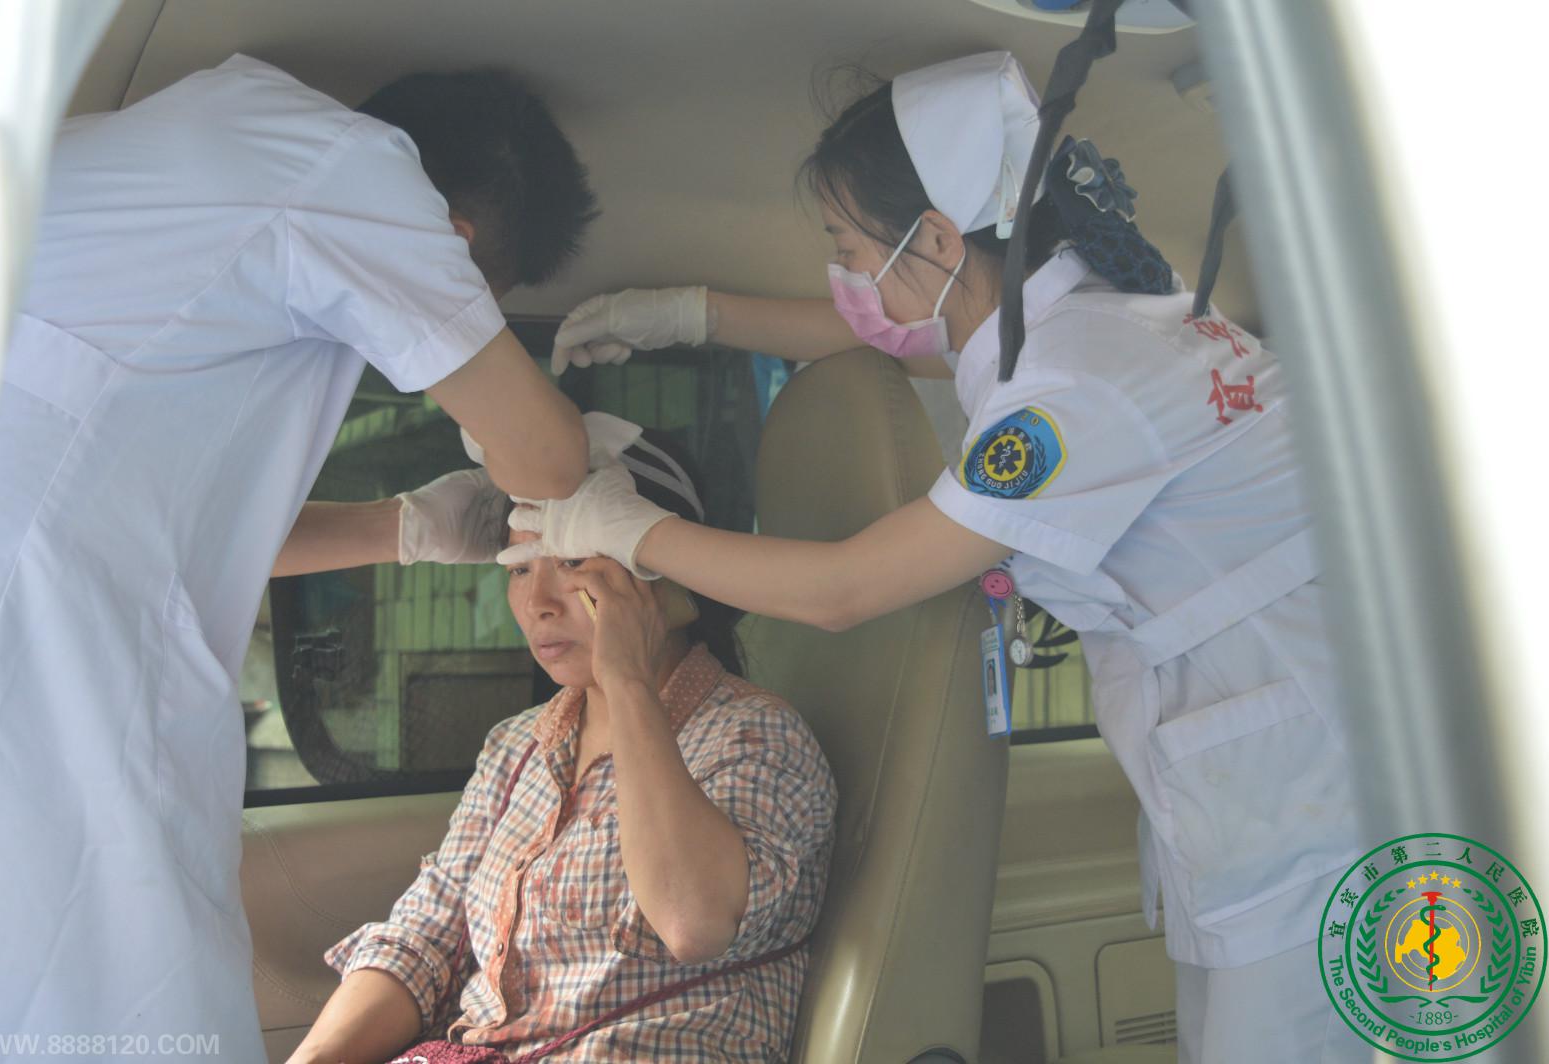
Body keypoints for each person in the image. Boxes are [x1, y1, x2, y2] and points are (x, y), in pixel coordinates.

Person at [506, 53, 1368, 1063]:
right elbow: (896, 342)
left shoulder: (1073, 388)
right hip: (1270, 759)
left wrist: (619, 525)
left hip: (1306, 787)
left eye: (848, 247)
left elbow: (844, 588)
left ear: (939, 239)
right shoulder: (1094, 316)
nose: (843, 274)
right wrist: (687, 314)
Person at [0, 55, 595, 1059]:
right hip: (15, 667)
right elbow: (550, 458)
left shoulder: (179, 186)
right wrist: (502, 430)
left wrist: (405, 527)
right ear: (452, 243)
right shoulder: (345, 170)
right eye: (476, 303)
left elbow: (168, 527)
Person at [288, 424, 836, 1064]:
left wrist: (626, 678)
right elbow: (425, 936)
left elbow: (693, 921)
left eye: (574, 562)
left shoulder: (755, 735)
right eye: (520, 568)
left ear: (663, 573)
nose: (538, 602)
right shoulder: (519, 745)